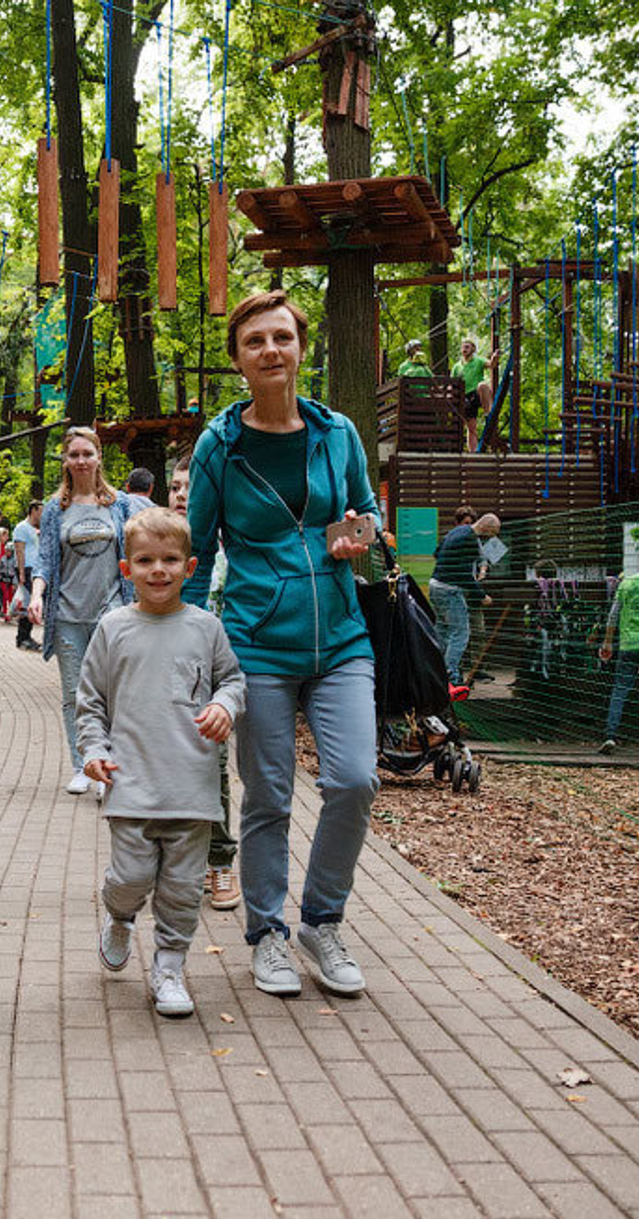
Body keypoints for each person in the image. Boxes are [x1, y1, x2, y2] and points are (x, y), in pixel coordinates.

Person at [182, 289, 381, 999]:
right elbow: (199, 550)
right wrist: (190, 648)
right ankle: (266, 933)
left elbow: (370, 507)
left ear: (301, 348)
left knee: (355, 780)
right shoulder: (220, 446)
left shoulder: (339, 434)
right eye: (255, 341)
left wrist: (363, 529)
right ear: (239, 360)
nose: (271, 350)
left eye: (282, 338)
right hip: (256, 643)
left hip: (342, 637)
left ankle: (322, 924)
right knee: (267, 793)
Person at [78, 508, 246, 1017]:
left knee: (180, 889)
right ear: (126, 569)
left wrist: (224, 705)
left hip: (192, 792)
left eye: (170, 560)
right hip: (130, 787)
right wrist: (93, 751)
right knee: (131, 878)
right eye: (145, 560)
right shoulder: (113, 629)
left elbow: (233, 680)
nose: (159, 570)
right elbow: (89, 702)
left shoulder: (207, 628)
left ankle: (170, 966)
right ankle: (120, 917)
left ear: (190, 567)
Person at [29, 427, 134, 796]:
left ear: (98, 456)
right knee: (74, 694)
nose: (81, 461)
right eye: (73, 454)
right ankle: (82, 765)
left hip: (112, 612)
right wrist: (37, 594)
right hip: (68, 616)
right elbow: (44, 561)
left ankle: (108, 765)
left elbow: (136, 550)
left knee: (111, 693)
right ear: (65, 461)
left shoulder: (118, 504)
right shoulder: (56, 509)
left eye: (87, 453)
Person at [169, 454, 240, 911]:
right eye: (175, 487)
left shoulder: (230, 544)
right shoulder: (157, 537)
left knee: (212, 766)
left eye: (188, 488)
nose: (180, 496)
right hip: (168, 670)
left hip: (216, 673)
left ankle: (219, 862)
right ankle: (180, 864)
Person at [429, 506, 498, 686]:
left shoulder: (458, 531)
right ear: (487, 528)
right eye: (492, 534)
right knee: (461, 632)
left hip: (435, 584)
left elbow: (436, 553)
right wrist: (482, 595)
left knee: (443, 630)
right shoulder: (470, 540)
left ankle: (433, 669)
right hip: (449, 590)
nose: (490, 538)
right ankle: (449, 676)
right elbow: (464, 575)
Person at [597, 567, 639, 753]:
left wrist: (607, 643)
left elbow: (613, 616)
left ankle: (610, 735)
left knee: (620, 690)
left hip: (628, 644)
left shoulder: (627, 583)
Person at [451, 338, 495, 453]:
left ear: (473, 349)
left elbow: (491, 365)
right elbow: (452, 383)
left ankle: (488, 412)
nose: (464, 349)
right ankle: (473, 452)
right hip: (465, 396)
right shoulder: (457, 366)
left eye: (467, 347)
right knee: (471, 427)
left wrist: (494, 358)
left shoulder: (478, 361)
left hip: (477, 393)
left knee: (482, 385)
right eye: (463, 347)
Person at [11, 500, 42, 651]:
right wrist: (22, 573)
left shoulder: (34, 529)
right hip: (26, 568)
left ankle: (26, 636)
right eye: (40, 511)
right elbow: (19, 551)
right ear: (33, 510)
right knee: (27, 603)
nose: (42, 515)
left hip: (35, 568)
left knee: (30, 603)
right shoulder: (21, 528)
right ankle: (22, 638)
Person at [0, 538, 18, 620]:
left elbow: (16, 572)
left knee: (11, 597)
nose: (7, 553)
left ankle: (11, 612)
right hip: (3, 579)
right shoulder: (3, 559)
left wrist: (15, 582)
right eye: (6, 551)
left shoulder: (15, 560)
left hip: (11, 580)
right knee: (4, 597)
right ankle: (4, 612)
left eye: (9, 551)